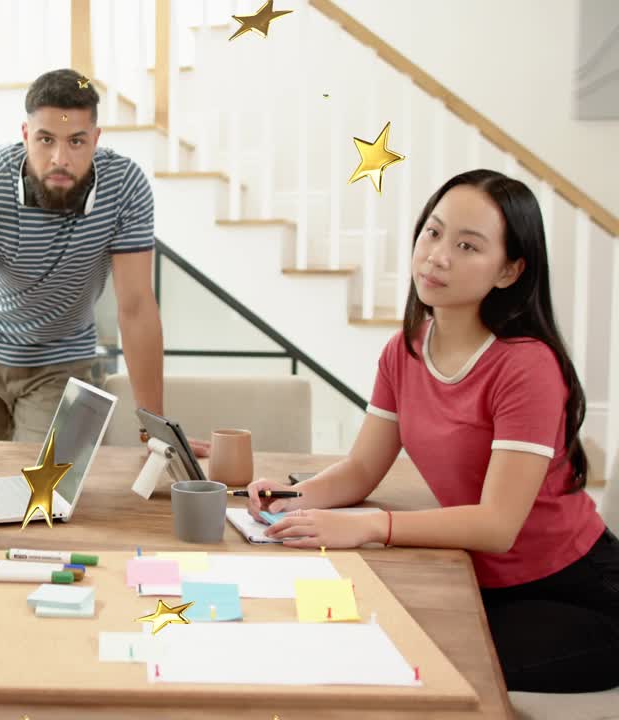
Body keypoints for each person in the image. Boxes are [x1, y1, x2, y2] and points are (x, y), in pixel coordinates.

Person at [247, 170, 619, 694]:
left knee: (398, 656)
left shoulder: (526, 367)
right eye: (434, 232)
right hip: (474, 577)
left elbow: (496, 526)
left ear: (510, 271)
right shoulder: (404, 351)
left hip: (574, 594)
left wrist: (370, 527)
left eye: (468, 246)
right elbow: (360, 469)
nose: (438, 255)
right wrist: (294, 498)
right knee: (339, 628)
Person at [0, 68, 199, 469]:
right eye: (45, 139)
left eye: (76, 142)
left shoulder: (126, 188)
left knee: (50, 490)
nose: (60, 159)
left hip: (61, 361)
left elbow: (136, 306)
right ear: (25, 134)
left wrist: (155, 431)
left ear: (96, 140)